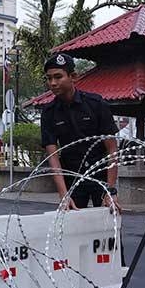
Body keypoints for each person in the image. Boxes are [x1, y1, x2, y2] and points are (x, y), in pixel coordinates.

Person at [39, 53, 121, 211]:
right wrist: (64, 195)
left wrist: (111, 191)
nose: (53, 83)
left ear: (73, 76)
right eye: (49, 78)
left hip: (100, 174)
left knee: (108, 226)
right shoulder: (49, 112)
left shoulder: (96, 104)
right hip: (72, 177)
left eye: (58, 77)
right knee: (72, 228)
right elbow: (53, 156)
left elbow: (112, 149)